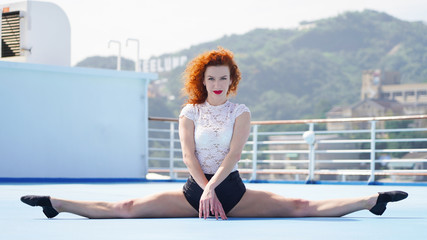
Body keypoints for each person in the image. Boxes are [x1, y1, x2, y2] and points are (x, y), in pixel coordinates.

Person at [21, 47, 408, 220]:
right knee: (125, 209)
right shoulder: (189, 111)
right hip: (193, 192)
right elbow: (189, 156)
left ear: (231, 80)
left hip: (232, 192)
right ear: (202, 81)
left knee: (301, 206)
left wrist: (214, 188)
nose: (218, 84)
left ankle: (372, 199)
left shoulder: (241, 112)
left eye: (224, 78)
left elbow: (234, 155)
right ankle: (56, 202)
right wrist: (202, 189)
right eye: (212, 78)